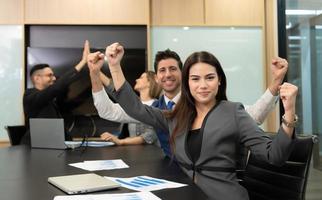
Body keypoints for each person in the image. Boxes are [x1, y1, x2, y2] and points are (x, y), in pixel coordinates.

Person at [88, 43, 298, 199]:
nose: (203, 85)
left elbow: (275, 156)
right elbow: (133, 107)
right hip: (186, 192)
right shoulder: (175, 116)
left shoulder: (234, 112)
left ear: (220, 80)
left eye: (209, 77)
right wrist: (114, 66)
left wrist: (288, 112)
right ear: (187, 83)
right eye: (195, 79)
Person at [90, 48, 288, 158]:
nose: (168, 75)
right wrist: (98, 72)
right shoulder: (157, 110)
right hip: (171, 171)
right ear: (157, 78)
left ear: (182, 74)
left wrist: (276, 86)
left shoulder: (215, 106)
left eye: (173, 69)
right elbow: (113, 110)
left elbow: (253, 116)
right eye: (162, 70)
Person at [21, 40, 90, 144]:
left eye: (53, 75)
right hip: (34, 149)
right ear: (37, 78)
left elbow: (75, 102)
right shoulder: (30, 95)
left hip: (52, 147)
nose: (54, 78)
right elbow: (57, 87)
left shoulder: (51, 101)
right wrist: (82, 62)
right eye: (49, 75)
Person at [93, 71, 162, 145]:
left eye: (141, 78)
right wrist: (96, 71)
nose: (136, 80)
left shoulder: (157, 106)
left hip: (151, 153)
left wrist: (121, 142)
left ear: (150, 83)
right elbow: (117, 92)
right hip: (132, 152)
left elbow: (151, 134)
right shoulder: (133, 104)